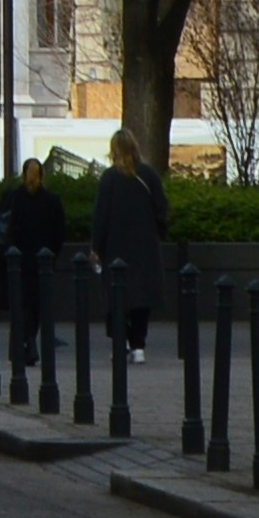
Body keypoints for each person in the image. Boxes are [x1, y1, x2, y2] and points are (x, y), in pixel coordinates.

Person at [89, 143, 171, 381]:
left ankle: (120, 342)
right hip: (144, 247)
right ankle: (138, 346)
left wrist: (96, 247)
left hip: (115, 248)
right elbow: (161, 209)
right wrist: (156, 234)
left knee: (116, 297)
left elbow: (100, 216)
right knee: (141, 300)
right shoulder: (148, 175)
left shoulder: (109, 179)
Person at [0, 155, 73, 393]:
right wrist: (51, 256)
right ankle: (28, 343)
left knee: (22, 306)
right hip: (41, 262)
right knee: (36, 307)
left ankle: (23, 344)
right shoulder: (51, 201)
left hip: (18, 261)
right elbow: (59, 232)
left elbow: (1, 227)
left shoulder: (13, 199)